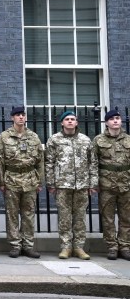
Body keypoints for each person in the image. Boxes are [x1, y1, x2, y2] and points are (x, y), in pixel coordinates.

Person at [46, 109, 97, 260]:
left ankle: (79, 247)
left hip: (82, 185)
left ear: (76, 122)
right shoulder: (54, 140)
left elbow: (92, 163)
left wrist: (92, 183)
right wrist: (51, 183)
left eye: (72, 119)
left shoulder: (86, 140)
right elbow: (49, 162)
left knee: (80, 217)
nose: (70, 121)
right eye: (67, 119)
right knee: (64, 217)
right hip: (62, 185)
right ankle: (66, 247)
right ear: (62, 122)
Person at [0, 105, 44, 258]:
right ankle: (15, 245)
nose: (21, 117)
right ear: (12, 118)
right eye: (17, 115)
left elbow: (40, 161)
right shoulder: (4, 137)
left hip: (29, 179)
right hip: (12, 179)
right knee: (12, 214)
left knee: (29, 214)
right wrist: (1, 182)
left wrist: (39, 181)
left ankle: (28, 245)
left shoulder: (33, 137)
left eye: (23, 115)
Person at [93, 107, 130, 260]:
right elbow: (93, 163)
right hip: (106, 184)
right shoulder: (99, 140)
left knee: (126, 217)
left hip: (126, 183)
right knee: (108, 218)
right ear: (107, 122)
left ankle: (125, 246)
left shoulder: (128, 139)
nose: (116, 121)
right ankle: (112, 246)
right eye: (112, 119)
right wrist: (95, 183)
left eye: (118, 118)